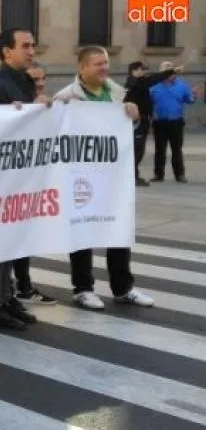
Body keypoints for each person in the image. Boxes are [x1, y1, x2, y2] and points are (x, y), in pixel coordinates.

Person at [54, 46, 155, 310]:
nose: (104, 68)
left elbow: (127, 132)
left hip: (112, 176)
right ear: (82, 67)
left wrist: (133, 116)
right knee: (82, 231)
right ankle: (83, 288)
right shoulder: (66, 97)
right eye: (98, 63)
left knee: (118, 229)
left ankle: (123, 287)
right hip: (80, 176)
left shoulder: (118, 94)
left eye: (106, 63)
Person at [0, 28, 55, 314]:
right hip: (1, 179)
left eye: (33, 45)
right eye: (25, 46)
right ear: (6, 51)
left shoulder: (25, 80)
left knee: (12, 241)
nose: (32, 51)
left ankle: (7, 296)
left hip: (20, 176)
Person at [124, 61, 180, 186]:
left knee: (138, 148)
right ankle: (132, 177)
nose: (145, 72)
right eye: (142, 69)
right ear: (134, 70)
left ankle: (133, 176)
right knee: (137, 149)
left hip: (142, 120)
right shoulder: (135, 83)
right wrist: (171, 71)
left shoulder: (138, 82)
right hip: (137, 121)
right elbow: (153, 79)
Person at [149, 61, 200, 183]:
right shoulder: (153, 87)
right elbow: (147, 103)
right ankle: (158, 174)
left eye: (171, 70)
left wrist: (194, 95)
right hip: (159, 122)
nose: (170, 73)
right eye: (166, 70)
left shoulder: (182, 85)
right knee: (159, 149)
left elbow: (189, 100)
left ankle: (180, 174)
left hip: (176, 122)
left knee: (176, 149)